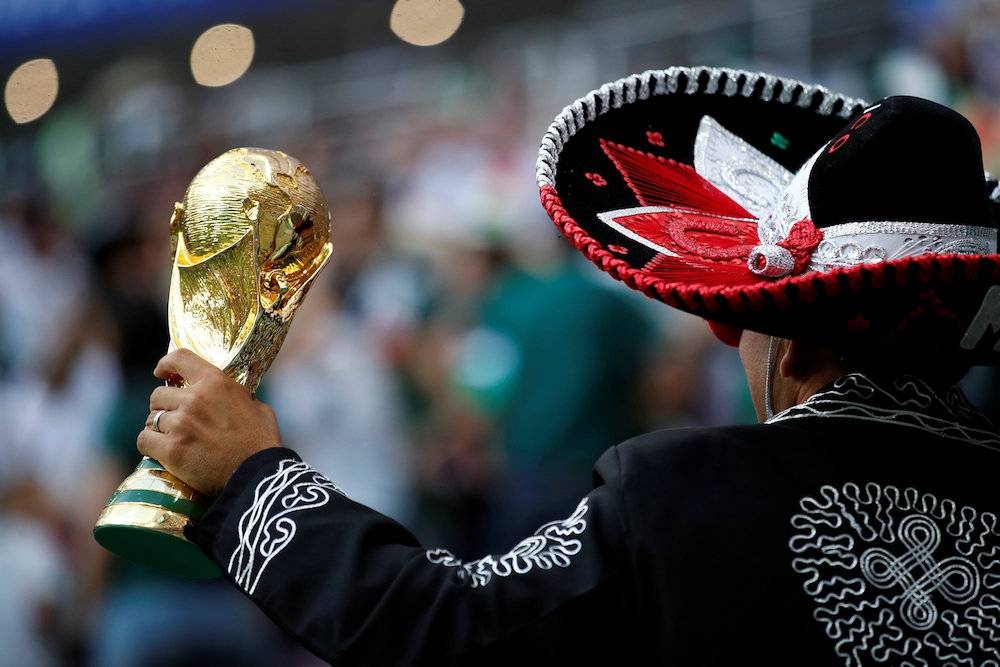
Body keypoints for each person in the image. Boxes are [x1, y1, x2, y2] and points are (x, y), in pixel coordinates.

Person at [136, 66, 1000, 665]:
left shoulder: (681, 491)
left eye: (742, 322)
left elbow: (443, 629)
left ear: (793, 342)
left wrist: (252, 476)